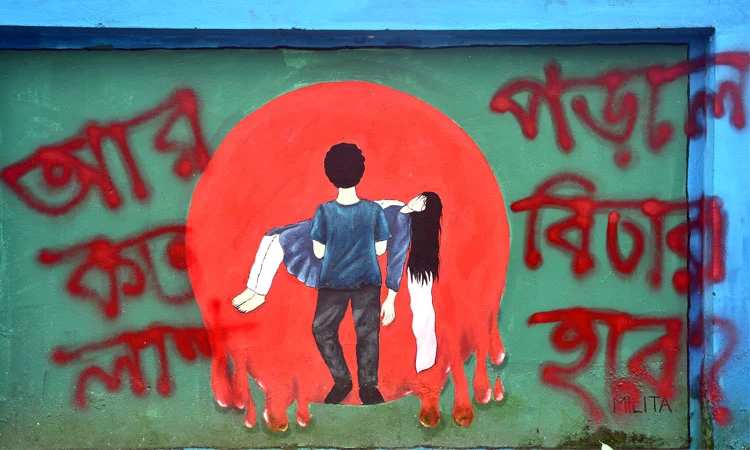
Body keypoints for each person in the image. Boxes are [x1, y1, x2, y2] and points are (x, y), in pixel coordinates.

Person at [233, 192, 443, 375]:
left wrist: (390, 300)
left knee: (280, 240)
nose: (417, 201)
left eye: (423, 203)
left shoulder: (404, 227)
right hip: (335, 226)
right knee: (273, 237)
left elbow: (395, 261)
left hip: (343, 245)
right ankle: (253, 289)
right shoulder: (396, 205)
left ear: (424, 212)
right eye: (420, 197)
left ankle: (258, 293)